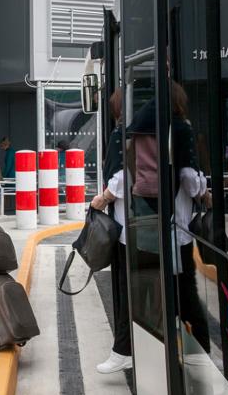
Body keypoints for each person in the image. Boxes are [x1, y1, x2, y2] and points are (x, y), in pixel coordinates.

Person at [90, 89, 131, 373]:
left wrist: (101, 199)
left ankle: (123, 349)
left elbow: (119, 179)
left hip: (129, 228)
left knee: (126, 287)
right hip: (169, 226)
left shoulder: (122, 135)